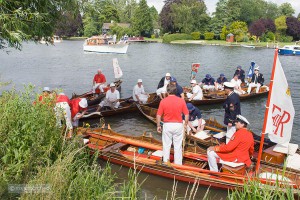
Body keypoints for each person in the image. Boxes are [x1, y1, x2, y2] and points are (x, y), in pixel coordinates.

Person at [156, 84, 189, 165]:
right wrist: (185, 125)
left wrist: (158, 126)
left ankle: (165, 162)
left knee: (166, 145)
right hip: (178, 125)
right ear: (176, 91)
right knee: (178, 146)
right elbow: (187, 114)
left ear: (167, 92)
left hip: (167, 125)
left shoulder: (163, 101)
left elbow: (158, 115)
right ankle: (178, 164)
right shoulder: (181, 100)